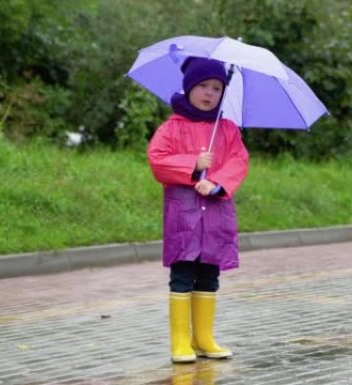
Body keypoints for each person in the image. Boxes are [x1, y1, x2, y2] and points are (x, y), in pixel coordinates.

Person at [147, 57, 249, 363]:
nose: (209, 93)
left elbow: (238, 161)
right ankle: (180, 341)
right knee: (182, 272)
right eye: (203, 86)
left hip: (216, 216)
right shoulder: (171, 127)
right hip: (185, 216)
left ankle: (203, 338)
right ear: (189, 87)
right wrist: (193, 164)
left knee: (209, 274)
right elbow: (158, 160)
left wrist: (216, 182)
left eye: (216, 88)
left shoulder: (228, 130)